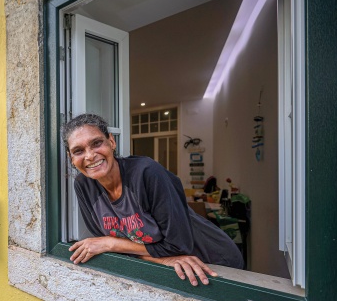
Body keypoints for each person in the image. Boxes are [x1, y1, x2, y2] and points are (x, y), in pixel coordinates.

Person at [62, 113, 244, 286]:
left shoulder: (146, 173)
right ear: (71, 159)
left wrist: (111, 243)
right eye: (78, 151)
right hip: (172, 265)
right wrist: (163, 258)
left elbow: (177, 244)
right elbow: (106, 246)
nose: (90, 155)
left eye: (97, 143)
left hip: (212, 260)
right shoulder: (83, 185)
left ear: (111, 141)